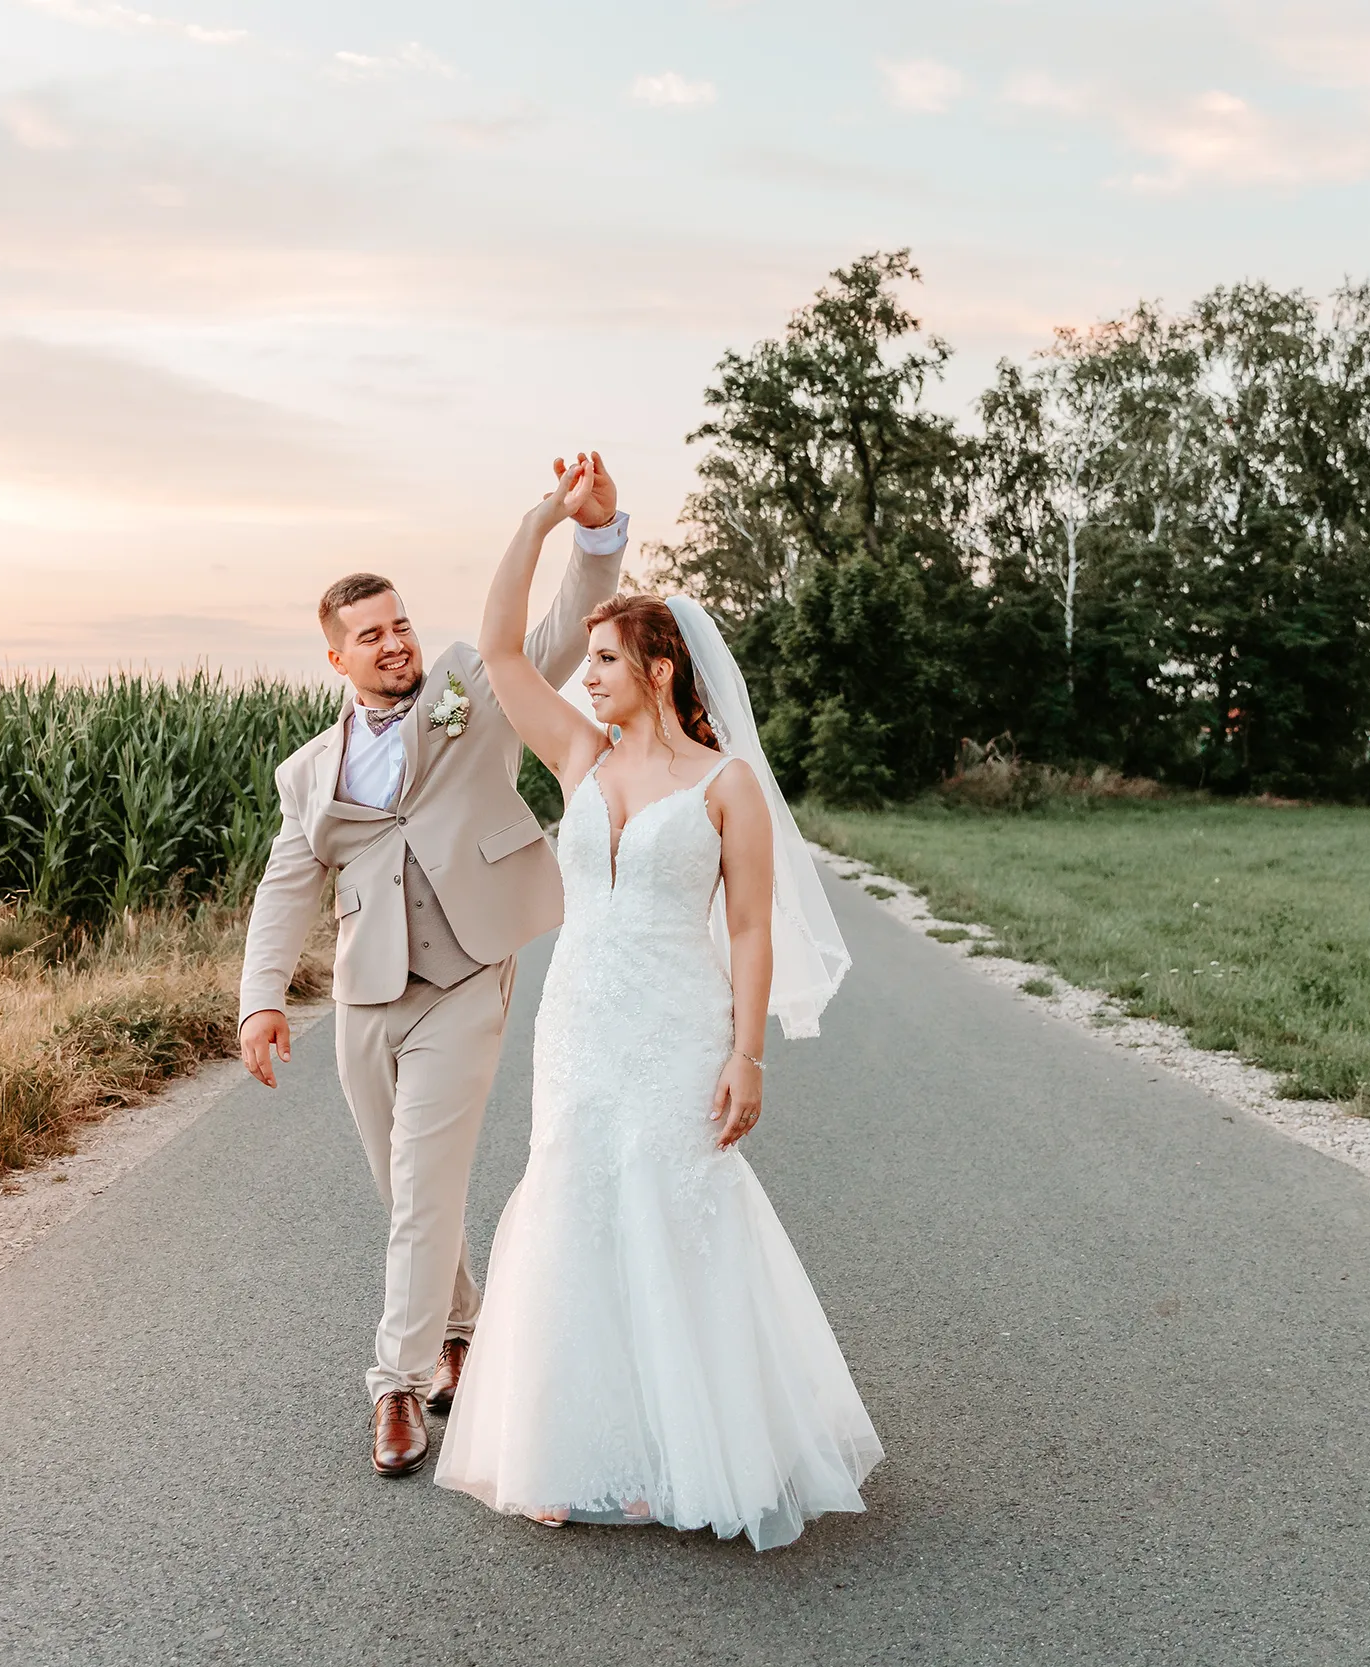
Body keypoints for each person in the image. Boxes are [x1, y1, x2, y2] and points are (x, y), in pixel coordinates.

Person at [434, 454, 881, 1550]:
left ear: (661, 665)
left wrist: (748, 1054)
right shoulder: (579, 757)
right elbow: (496, 649)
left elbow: (747, 929)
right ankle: (569, 1446)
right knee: (574, 1200)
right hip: (581, 1018)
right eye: (584, 658)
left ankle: (686, 1441)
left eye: (603, 657)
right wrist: (545, 517)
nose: (586, 674)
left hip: (678, 1024)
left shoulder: (726, 787)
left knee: (668, 1206)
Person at [235, 456, 627, 1477]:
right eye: (371, 634)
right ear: (336, 658)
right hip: (365, 995)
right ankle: (461, 1328)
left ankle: (396, 1388)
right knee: (401, 1186)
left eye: (400, 622)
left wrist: (589, 534)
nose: (395, 641)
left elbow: (552, 634)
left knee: (423, 1183)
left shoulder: (467, 685)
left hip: (466, 974)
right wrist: (261, 1000)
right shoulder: (306, 773)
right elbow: (287, 884)